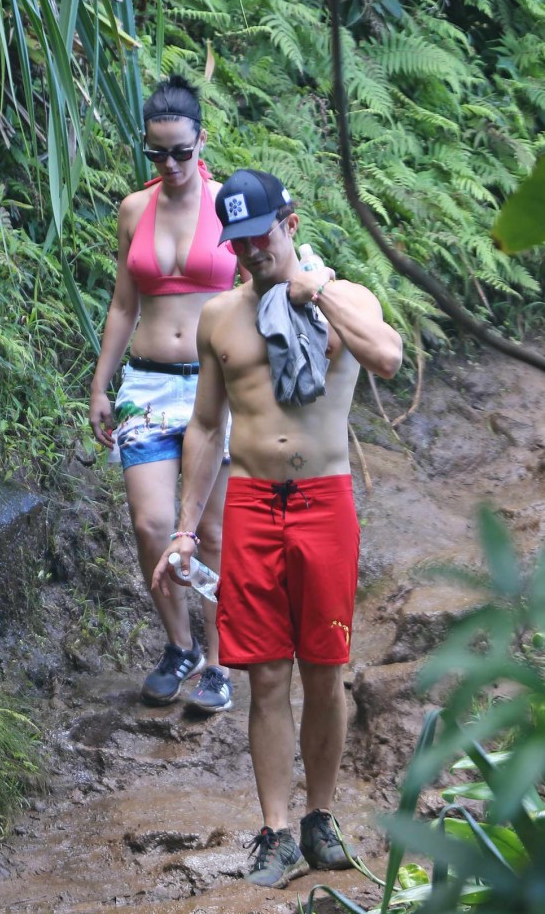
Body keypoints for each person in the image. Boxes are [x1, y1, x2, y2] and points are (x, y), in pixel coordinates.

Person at [153, 169, 403, 888]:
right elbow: (205, 426)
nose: (248, 253)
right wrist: (184, 528)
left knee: (323, 670)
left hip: (324, 499)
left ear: (289, 223)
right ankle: (273, 830)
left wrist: (313, 292)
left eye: (259, 235)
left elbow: (385, 357)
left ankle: (320, 819)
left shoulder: (345, 298)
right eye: (236, 242)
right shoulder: (219, 318)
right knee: (264, 673)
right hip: (253, 502)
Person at [90, 75, 244, 713]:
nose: (172, 165)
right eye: (159, 154)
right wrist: (101, 383)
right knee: (152, 523)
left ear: (201, 140)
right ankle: (179, 644)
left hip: (217, 385)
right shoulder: (134, 210)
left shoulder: (229, 205)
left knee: (211, 530)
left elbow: (262, 282)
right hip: (148, 382)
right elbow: (124, 304)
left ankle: (219, 660)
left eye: (182, 151)